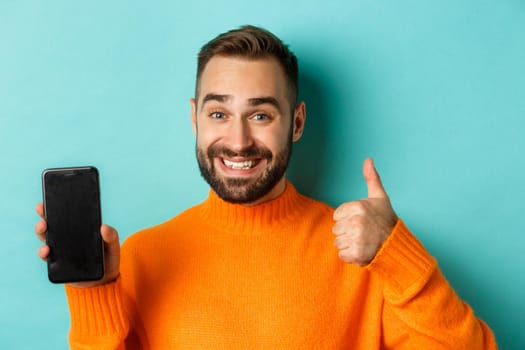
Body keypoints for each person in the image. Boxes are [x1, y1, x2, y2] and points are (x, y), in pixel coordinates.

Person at [35, 25, 497, 349]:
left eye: (260, 115)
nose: (237, 141)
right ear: (193, 119)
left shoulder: (364, 256)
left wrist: (397, 256)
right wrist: (95, 290)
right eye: (218, 114)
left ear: (295, 123)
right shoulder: (143, 257)